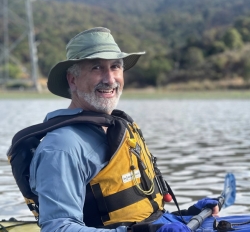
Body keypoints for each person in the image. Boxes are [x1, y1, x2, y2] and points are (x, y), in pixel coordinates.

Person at [29, 27, 219, 232]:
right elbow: (57, 228)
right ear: (72, 80)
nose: (110, 79)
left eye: (115, 67)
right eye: (96, 68)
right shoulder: (62, 148)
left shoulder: (116, 128)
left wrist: (185, 216)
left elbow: (135, 215)